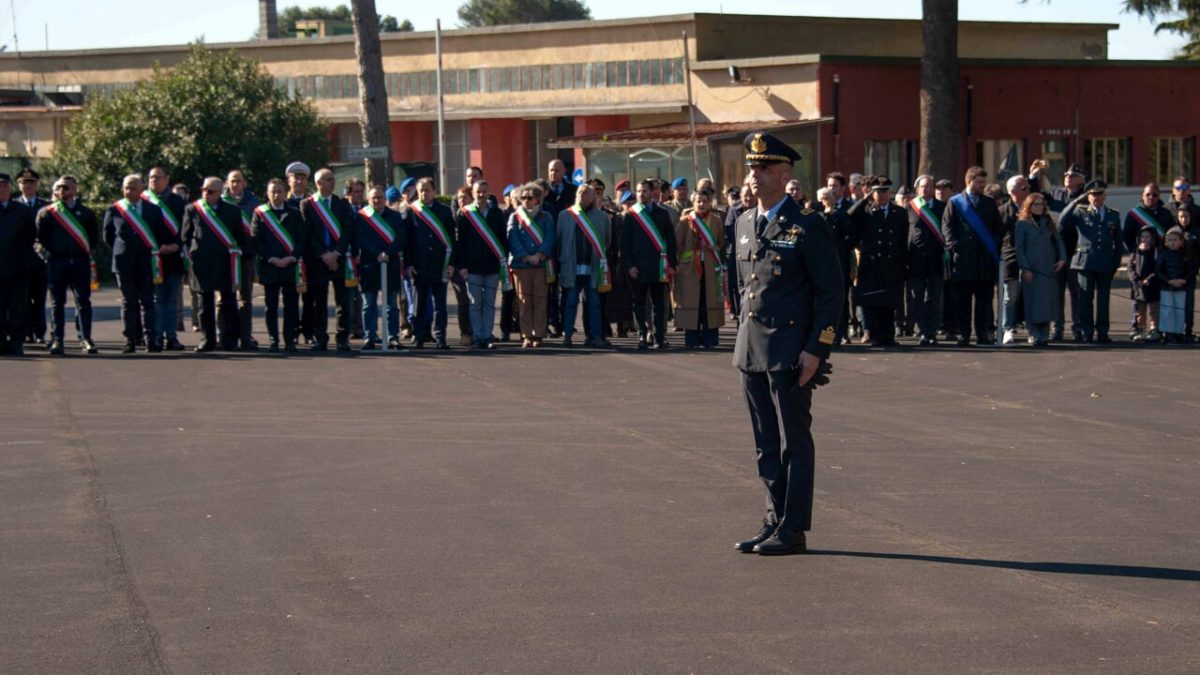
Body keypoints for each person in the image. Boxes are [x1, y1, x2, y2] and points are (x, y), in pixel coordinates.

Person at [732, 132, 843, 556]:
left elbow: (832, 294)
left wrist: (818, 349)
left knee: (795, 440)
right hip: (751, 349)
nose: (754, 176)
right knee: (764, 441)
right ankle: (772, 517)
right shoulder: (744, 221)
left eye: (763, 169)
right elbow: (742, 288)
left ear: (784, 174)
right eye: (751, 168)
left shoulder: (807, 225)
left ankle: (793, 528)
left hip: (791, 351)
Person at [104, 174, 176, 353]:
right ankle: (130, 340)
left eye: (133, 187)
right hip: (123, 262)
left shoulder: (153, 210)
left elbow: (160, 234)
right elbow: (108, 236)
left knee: (148, 301)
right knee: (128, 302)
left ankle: (151, 339)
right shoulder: (115, 210)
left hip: (146, 261)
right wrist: (125, 249)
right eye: (126, 187)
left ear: (142, 189)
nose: (129, 191)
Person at [182, 176, 250, 352]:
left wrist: (238, 253)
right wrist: (189, 255)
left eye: (210, 191)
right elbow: (185, 237)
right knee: (205, 304)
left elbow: (240, 238)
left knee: (228, 302)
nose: (206, 193)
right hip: (201, 263)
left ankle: (229, 339)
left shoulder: (232, 211)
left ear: (220, 192)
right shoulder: (193, 209)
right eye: (204, 189)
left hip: (225, 262)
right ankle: (208, 339)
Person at [36, 176, 100, 355]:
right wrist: (47, 255)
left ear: (75, 190)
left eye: (67, 188)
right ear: (55, 191)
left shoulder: (86, 213)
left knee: (83, 301)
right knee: (57, 303)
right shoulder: (47, 213)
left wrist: (89, 254)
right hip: (57, 262)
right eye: (60, 188)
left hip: (80, 262)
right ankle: (58, 339)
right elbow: (39, 240)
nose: (63, 191)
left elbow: (94, 239)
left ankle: (85, 338)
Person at [942, 166, 1003, 346]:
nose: (982, 185)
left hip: (984, 260)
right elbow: (947, 226)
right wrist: (954, 244)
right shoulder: (955, 202)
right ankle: (964, 334)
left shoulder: (989, 203)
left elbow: (998, 228)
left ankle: (982, 333)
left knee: (984, 301)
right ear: (969, 181)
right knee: (963, 301)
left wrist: (994, 243)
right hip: (963, 260)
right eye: (979, 182)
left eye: (984, 182)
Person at [300, 168, 357, 353]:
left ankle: (342, 338)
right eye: (329, 179)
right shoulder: (307, 204)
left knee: (343, 301)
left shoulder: (342, 204)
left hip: (339, 259)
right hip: (318, 260)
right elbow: (307, 234)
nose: (333, 182)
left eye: (333, 179)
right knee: (319, 301)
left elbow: (348, 231)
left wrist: (336, 253)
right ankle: (320, 338)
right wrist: (324, 254)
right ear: (318, 183)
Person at [1060, 180, 1123, 343]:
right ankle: (1087, 331)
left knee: (1103, 299)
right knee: (1085, 298)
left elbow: (1118, 240)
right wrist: (1074, 201)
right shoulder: (1080, 212)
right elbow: (1061, 221)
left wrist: (1116, 263)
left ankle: (1102, 331)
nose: (1096, 197)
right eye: (1093, 194)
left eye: (1099, 194)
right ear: (1088, 196)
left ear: (1105, 195)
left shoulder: (1112, 214)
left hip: (1105, 261)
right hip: (1085, 261)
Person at [847, 177, 908, 347]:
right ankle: (873, 334)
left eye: (884, 191)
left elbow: (903, 240)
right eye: (877, 192)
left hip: (890, 263)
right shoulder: (866, 211)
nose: (881, 195)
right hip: (871, 262)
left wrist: (903, 264)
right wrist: (864, 199)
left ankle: (887, 336)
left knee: (888, 302)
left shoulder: (899, 212)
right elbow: (849, 216)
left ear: (889, 193)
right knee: (871, 302)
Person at [621, 179, 678, 350]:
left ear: (652, 192)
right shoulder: (631, 215)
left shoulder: (662, 214)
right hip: (638, 268)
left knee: (659, 305)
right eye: (638, 191)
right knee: (639, 304)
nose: (641, 194)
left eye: (644, 191)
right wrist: (629, 265)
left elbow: (671, 240)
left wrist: (672, 264)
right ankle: (642, 336)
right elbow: (625, 244)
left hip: (658, 267)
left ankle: (659, 336)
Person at [252, 178, 306, 353]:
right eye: (272, 191)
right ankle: (273, 339)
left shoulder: (295, 213)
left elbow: (301, 239)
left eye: (279, 191)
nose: (276, 195)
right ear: (267, 194)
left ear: (285, 193)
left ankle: (290, 340)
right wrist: (271, 258)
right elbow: (256, 240)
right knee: (271, 307)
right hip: (270, 266)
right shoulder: (260, 213)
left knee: (291, 306)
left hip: (290, 266)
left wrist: (292, 257)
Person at [556, 183, 611, 347]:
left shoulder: (601, 217)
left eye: (586, 193)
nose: (582, 195)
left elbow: (607, 241)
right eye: (580, 192)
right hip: (572, 267)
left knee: (594, 304)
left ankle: (595, 336)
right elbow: (559, 241)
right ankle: (567, 336)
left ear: (593, 197)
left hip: (594, 268)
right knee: (570, 302)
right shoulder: (565, 215)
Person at [456, 179, 508, 349]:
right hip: (473, 266)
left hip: (492, 265)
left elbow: (502, 240)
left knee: (489, 303)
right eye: (478, 191)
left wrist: (503, 263)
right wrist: (462, 266)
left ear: (488, 192)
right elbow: (460, 242)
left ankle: (487, 335)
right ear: (473, 192)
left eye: (484, 191)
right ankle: (477, 335)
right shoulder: (465, 214)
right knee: (475, 303)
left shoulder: (497, 213)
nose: (481, 195)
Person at [405, 177, 455, 349]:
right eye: (421, 191)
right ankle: (418, 336)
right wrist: (408, 264)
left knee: (440, 305)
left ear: (434, 191)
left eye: (427, 190)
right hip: (419, 265)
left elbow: (452, 240)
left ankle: (441, 336)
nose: (424, 194)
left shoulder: (445, 211)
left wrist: (451, 264)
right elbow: (408, 241)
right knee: (419, 304)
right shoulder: (412, 211)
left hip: (440, 264)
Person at [673, 187, 726, 348]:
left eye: (704, 201)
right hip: (690, 269)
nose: (701, 204)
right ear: (693, 203)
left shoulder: (716, 220)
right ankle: (692, 339)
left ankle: (710, 339)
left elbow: (721, 244)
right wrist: (687, 259)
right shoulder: (685, 220)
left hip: (711, 266)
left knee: (709, 301)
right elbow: (678, 244)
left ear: (709, 203)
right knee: (691, 303)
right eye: (698, 201)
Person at [356, 184, 407, 350]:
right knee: (368, 304)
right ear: (368, 200)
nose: (377, 200)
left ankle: (393, 337)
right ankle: (369, 337)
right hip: (369, 265)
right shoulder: (362, 217)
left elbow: (401, 238)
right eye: (374, 198)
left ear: (385, 199)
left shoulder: (394, 216)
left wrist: (388, 253)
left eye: (380, 197)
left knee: (391, 305)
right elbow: (360, 239)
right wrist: (376, 253)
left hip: (389, 264)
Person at [507, 182, 556, 348]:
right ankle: (526, 335)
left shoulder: (545, 217)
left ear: (537, 199)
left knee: (540, 301)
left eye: (530, 197)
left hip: (541, 264)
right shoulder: (515, 216)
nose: (526, 201)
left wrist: (540, 255)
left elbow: (550, 238)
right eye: (523, 198)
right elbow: (512, 238)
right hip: (522, 265)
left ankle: (539, 334)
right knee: (524, 301)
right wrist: (526, 257)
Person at [1014, 193, 1067, 346]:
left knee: (1048, 304)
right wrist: (1025, 268)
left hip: (1048, 268)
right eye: (1036, 204)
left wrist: (1062, 258)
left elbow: (1059, 241)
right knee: (1032, 303)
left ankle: (1044, 333)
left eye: (1041, 204)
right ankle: (1033, 333)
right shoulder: (1022, 224)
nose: (1039, 207)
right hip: (1031, 269)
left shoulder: (1048, 222)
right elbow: (1020, 248)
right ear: (1029, 206)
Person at [144, 167, 188, 350]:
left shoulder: (178, 202)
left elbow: (185, 228)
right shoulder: (144, 201)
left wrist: (176, 245)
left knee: (171, 298)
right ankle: (156, 337)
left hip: (173, 256)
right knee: (156, 299)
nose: (154, 180)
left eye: (158, 177)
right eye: (151, 177)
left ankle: (171, 336)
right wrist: (155, 247)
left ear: (167, 179)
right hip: (152, 257)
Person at [1123, 183, 1173, 338]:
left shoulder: (1166, 214)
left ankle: (1155, 329)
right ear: (1142, 196)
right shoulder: (1133, 214)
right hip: (1139, 260)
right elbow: (1127, 236)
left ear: (1159, 197)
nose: (1151, 197)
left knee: (1155, 301)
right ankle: (1137, 328)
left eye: (1154, 195)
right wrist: (1138, 249)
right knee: (1139, 301)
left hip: (1158, 261)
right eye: (1148, 194)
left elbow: (1169, 235)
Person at [905, 175, 948, 345]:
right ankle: (922, 330)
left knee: (934, 298)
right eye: (922, 186)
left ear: (933, 188)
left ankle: (932, 331)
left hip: (936, 259)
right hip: (916, 260)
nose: (925, 189)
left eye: (928, 186)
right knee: (917, 299)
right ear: (917, 189)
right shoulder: (910, 208)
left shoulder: (942, 207)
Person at [224, 169, 262, 350]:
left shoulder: (254, 203)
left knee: (245, 298)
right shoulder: (220, 202)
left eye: (238, 181)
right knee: (223, 297)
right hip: (225, 257)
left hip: (246, 256)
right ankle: (225, 336)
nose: (235, 184)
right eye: (232, 181)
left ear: (244, 183)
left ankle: (246, 337)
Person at [0, 173, 35, 355]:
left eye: (5, 185)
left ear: (10, 188)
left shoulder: (22, 211)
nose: (2, 189)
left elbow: (30, 237)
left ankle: (16, 342)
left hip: (17, 269)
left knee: (17, 309)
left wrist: (24, 261)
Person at [15, 168, 48, 346]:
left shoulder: (45, 205)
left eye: (31, 183)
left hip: (40, 260)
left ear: (36, 185)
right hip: (20, 260)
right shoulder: (13, 205)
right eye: (24, 183)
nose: (28, 186)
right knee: (22, 299)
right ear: (19, 185)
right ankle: (26, 332)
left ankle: (40, 332)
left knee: (40, 298)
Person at [997, 175, 1031, 344]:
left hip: (1032, 259)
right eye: (1024, 188)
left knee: (1032, 295)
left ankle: (1033, 328)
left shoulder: (1034, 208)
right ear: (1012, 192)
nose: (1028, 190)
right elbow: (998, 236)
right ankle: (1007, 328)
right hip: (1011, 258)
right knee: (1010, 297)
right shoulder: (1003, 211)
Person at [1156, 227, 1193, 343]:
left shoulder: (1185, 255)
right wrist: (1168, 281)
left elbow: (1190, 270)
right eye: (1170, 240)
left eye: (1175, 240)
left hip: (1181, 287)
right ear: (1166, 242)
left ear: (1181, 241)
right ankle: (1168, 332)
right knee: (1167, 310)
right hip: (1166, 287)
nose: (1172, 243)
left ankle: (1178, 332)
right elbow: (1158, 270)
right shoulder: (1163, 254)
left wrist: (1183, 280)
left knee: (1179, 310)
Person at [343, 177, 367, 342]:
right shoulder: (343, 210)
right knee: (348, 296)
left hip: (365, 258)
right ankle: (350, 327)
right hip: (347, 259)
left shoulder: (367, 209)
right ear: (348, 193)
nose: (358, 195)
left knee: (364, 296)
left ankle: (363, 327)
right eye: (355, 192)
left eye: (361, 192)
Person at [1126, 228, 1160, 343]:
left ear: (1152, 239)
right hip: (1139, 287)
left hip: (1152, 286)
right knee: (1140, 311)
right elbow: (1130, 268)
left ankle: (1154, 330)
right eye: (1142, 237)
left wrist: (1149, 279)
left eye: (1147, 237)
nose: (1144, 239)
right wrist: (1136, 280)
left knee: (1154, 310)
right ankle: (1141, 330)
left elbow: (1158, 268)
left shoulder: (1155, 251)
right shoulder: (1135, 252)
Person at [1174, 207, 1199, 341]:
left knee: (1188, 304)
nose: (1184, 219)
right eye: (1181, 216)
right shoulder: (1173, 232)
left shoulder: (1196, 233)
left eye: (1186, 216)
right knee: (1175, 304)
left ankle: (1188, 330)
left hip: (1190, 274)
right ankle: (1174, 330)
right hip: (1174, 273)